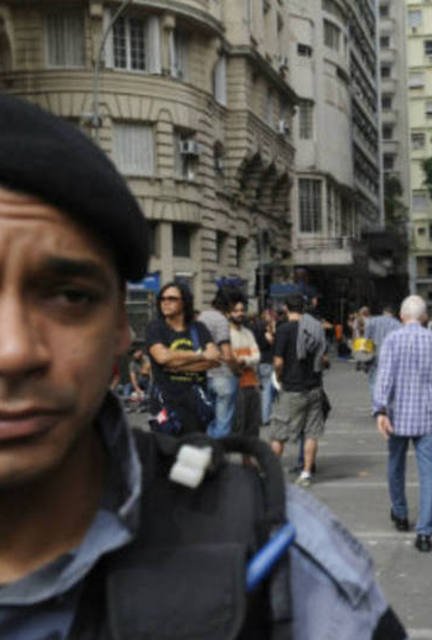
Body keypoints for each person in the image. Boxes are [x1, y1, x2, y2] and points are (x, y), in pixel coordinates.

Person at [0, 93, 403, 637]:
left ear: (120, 324)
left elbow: (232, 359)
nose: (15, 351)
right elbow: (193, 359)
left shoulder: (277, 556)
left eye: (70, 297)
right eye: (162, 305)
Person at [373, 296, 432, 553]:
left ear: (401, 316)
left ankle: (400, 514)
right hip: (427, 416)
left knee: (395, 465)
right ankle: (424, 533)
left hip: (397, 416)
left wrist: (380, 410)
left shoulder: (391, 340)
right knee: (429, 473)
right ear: (423, 318)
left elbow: (384, 376)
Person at [145, 282, 221, 435]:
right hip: (165, 404)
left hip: (195, 403)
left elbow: (214, 359)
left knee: (195, 453)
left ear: (184, 302)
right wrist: (199, 355)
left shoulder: (199, 328)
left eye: (172, 298)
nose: (165, 302)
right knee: (166, 453)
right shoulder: (155, 327)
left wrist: (176, 365)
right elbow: (162, 357)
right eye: (162, 299)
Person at [270, 294, 327, 487]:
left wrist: (279, 377)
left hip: (292, 388)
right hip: (314, 387)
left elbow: (278, 361)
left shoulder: (283, 329)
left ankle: (270, 473)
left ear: (286, 308)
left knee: (279, 433)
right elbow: (324, 359)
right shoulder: (314, 329)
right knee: (311, 433)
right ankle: (306, 473)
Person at [197, 287, 244, 439]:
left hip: (203, 374)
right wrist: (237, 370)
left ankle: (206, 455)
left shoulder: (201, 317)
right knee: (223, 424)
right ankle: (215, 458)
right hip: (222, 375)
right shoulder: (221, 320)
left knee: (208, 421)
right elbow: (227, 354)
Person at [228, 296, 261, 439]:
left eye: (242, 310)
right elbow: (231, 361)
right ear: (228, 313)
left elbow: (257, 356)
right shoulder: (226, 334)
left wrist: (244, 360)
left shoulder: (248, 333)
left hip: (252, 385)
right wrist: (247, 360)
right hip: (234, 387)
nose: (240, 313)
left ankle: (248, 461)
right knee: (236, 429)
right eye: (236, 311)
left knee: (252, 429)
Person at [364, 304, 402, 399]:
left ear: (383, 312)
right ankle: (387, 403)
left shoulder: (372, 322)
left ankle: (377, 406)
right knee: (389, 382)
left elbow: (366, 341)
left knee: (373, 382)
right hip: (390, 358)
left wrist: (365, 358)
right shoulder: (398, 324)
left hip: (374, 356)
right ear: (393, 314)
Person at [252, 307, 277, 427]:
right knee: (267, 389)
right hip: (267, 360)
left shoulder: (254, 328)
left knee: (259, 389)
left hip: (257, 361)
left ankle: (258, 415)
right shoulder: (267, 329)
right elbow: (271, 343)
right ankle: (265, 417)